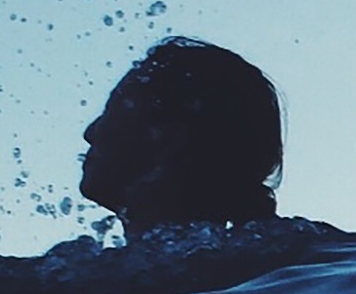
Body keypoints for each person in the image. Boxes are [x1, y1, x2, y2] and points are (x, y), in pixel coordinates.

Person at [80, 36, 284, 234]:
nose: (89, 133)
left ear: (167, 138)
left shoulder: (106, 268)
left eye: (113, 110)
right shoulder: (263, 259)